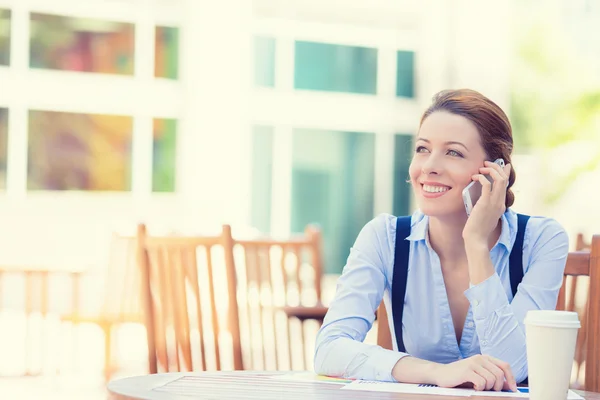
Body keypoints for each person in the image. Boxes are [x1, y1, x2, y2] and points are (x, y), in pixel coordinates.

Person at [313, 89, 569, 392]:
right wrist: (436, 373)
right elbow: (329, 350)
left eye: (454, 152)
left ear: (496, 172)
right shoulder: (384, 237)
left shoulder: (542, 240)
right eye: (422, 149)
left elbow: (513, 365)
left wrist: (476, 243)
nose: (429, 166)